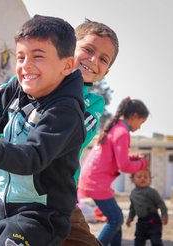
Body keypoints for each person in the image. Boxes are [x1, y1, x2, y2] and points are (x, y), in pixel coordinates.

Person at [0, 15, 85, 245]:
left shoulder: (65, 111)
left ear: (67, 65)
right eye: (21, 56)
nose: (26, 65)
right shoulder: (17, 88)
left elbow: (31, 158)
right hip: (1, 213)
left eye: (38, 56)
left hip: (41, 219)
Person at [63, 18, 120, 246]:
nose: (94, 60)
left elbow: (71, 136)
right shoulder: (37, 83)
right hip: (18, 195)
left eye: (104, 59)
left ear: (106, 72)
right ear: (68, 47)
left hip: (61, 198)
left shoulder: (93, 103)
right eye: (87, 49)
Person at [78, 97, 150, 245]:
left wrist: (134, 157)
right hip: (96, 182)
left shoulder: (116, 127)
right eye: (141, 122)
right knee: (116, 219)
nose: (140, 127)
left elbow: (116, 157)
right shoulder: (122, 132)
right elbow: (124, 166)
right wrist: (142, 162)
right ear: (135, 116)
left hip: (91, 179)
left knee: (116, 220)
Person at [126, 168, 168, 246]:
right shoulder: (133, 193)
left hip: (153, 221)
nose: (143, 178)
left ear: (150, 179)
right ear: (132, 179)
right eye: (139, 177)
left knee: (156, 241)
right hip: (141, 222)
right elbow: (132, 208)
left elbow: (160, 204)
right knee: (138, 240)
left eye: (146, 177)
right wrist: (130, 218)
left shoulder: (151, 191)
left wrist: (164, 215)